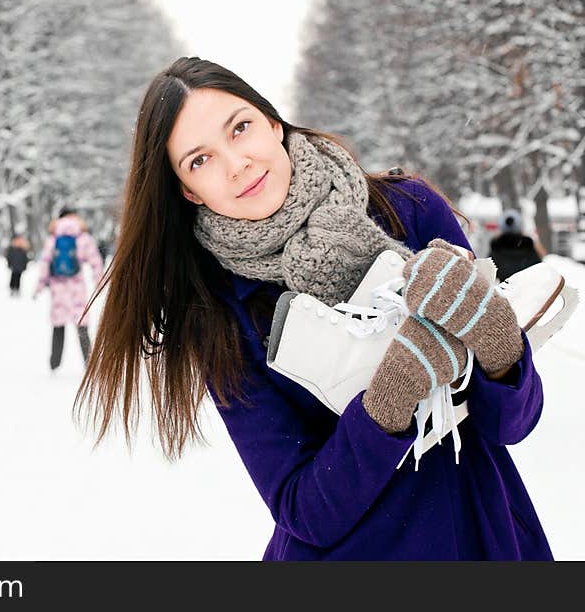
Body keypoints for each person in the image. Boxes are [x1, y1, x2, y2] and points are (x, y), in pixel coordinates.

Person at [75, 57, 551, 560]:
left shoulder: (407, 210)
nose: (237, 163)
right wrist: (387, 402)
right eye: (200, 160)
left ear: (273, 123)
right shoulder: (217, 315)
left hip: (481, 531)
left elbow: (511, 426)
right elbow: (303, 510)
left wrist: (494, 337)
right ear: (188, 191)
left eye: (241, 128)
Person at [34, 208, 103, 371]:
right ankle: (89, 362)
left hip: (58, 288)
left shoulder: (53, 237)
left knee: (58, 325)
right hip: (77, 288)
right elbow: (95, 260)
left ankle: (54, 363)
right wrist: (98, 280)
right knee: (82, 325)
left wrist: (40, 284)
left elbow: (45, 262)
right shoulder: (83, 237)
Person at [489, 208, 545, 282]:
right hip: (527, 289)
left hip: (505, 290)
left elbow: (490, 271)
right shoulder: (529, 246)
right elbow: (540, 267)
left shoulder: (496, 248)